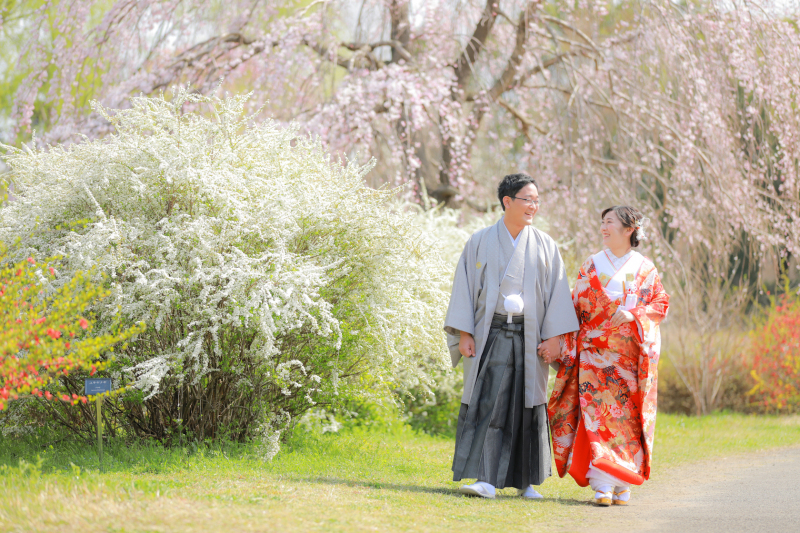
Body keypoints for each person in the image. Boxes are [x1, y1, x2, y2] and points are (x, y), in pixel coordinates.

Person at [444, 173, 579, 499]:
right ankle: (486, 480)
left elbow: (558, 294)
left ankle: (525, 482)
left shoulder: (545, 245)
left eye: (536, 200)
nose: (533, 206)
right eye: (527, 199)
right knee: (490, 402)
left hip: (530, 338)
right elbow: (464, 289)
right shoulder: (480, 241)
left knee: (528, 406)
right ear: (507, 201)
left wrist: (554, 339)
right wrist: (464, 333)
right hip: (490, 334)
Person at [544, 205, 670, 506]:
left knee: (626, 421)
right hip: (593, 355)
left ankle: (623, 482)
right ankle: (603, 484)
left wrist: (633, 314)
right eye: (602, 222)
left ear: (629, 229)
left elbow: (660, 303)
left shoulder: (645, 268)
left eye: (610, 222)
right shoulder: (592, 264)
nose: (603, 227)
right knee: (597, 417)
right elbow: (576, 305)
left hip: (628, 358)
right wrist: (560, 342)